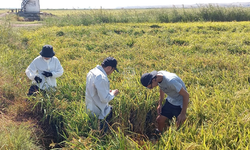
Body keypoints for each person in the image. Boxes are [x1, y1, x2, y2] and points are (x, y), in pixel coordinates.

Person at [140, 70, 189, 135]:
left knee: (179, 124)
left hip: (180, 102)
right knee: (159, 120)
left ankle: (177, 138)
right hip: (171, 99)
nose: (151, 89)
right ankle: (159, 134)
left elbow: (186, 95)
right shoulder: (158, 78)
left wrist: (183, 113)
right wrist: (160, 103)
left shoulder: (171, 81)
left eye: (150, 87)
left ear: (153, 80)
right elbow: (162, 87)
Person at [85, 57, 119, 133]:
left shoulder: (92, 72)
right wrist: (113, 93)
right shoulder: (101, 77)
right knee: (101, 134)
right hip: (99, 111)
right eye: (113, 70)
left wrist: (107, 92)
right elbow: (104, 99)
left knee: (92, 132)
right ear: (109, 68)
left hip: (90, 107)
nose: (112, 72)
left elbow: (95, 90)